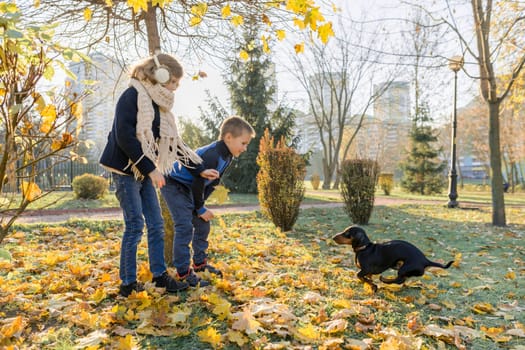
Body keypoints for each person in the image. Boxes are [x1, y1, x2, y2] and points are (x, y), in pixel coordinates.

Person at [100, 53, 206, 297]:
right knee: (135, 225)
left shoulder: (160, 106)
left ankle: (159, 277)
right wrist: (151, 168)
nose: (176, 88)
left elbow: (175, 144)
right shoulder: (132, 95)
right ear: (161, 75)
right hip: (126, 169)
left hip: (144, 170)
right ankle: (127, 283)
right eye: (174, 82)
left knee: (156, 224)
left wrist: (200, 168)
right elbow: (124, 136)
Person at [161, 116, 255, 287]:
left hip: (190, 189)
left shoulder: (227, 157)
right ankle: (183, 272)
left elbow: (212, 183)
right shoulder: (213, 154)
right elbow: (198, 181)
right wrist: (200, 207)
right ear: (228, 137)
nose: (245, 148)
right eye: (243, 143)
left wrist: (201, 207)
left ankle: (199, 264)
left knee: (203, 224)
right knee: (184, 226)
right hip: (174, 184)